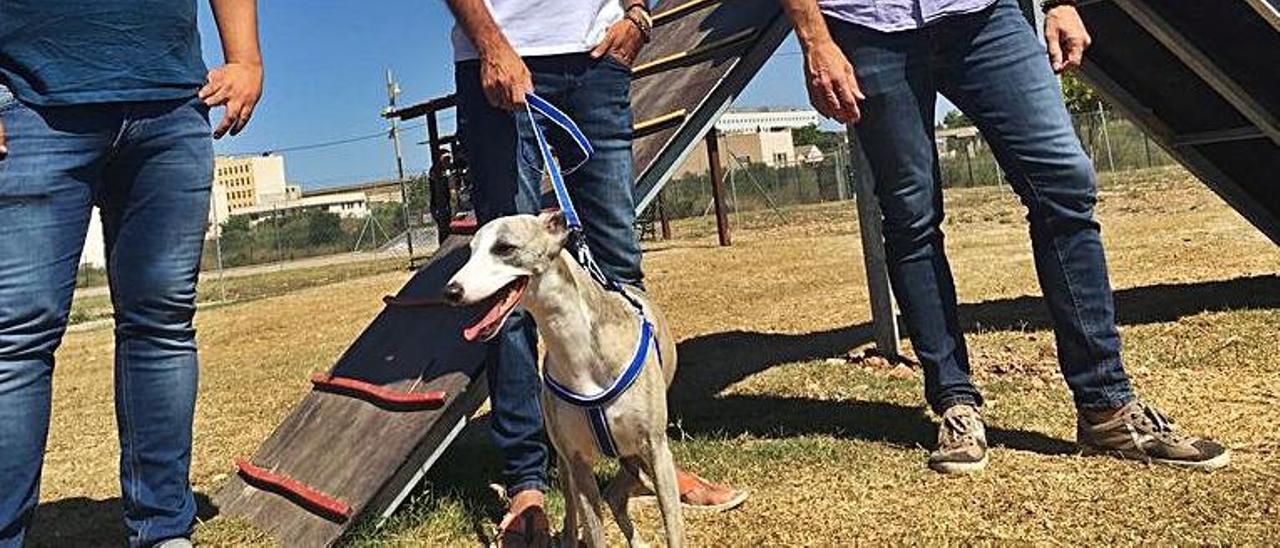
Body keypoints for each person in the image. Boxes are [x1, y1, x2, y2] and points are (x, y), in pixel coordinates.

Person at [778, 0, 1229, 473]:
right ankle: (954, 402)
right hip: (866, 27)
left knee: (1064, 183)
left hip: (984, 17)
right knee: (910, 215)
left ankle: (1106, 407)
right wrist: (816, 40)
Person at [446, 0, 747, 544]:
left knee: (620, 266)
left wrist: (637, 15)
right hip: (498, 53)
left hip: (597, 57)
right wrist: (490, 44)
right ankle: (527, 486)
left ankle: (645, 460)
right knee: (509, 285)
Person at [0, 0, 263, 545]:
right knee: (16, 338)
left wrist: (246, 58)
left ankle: (164, 528)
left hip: (170, 103)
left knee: (162, 326)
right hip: (32, 101)